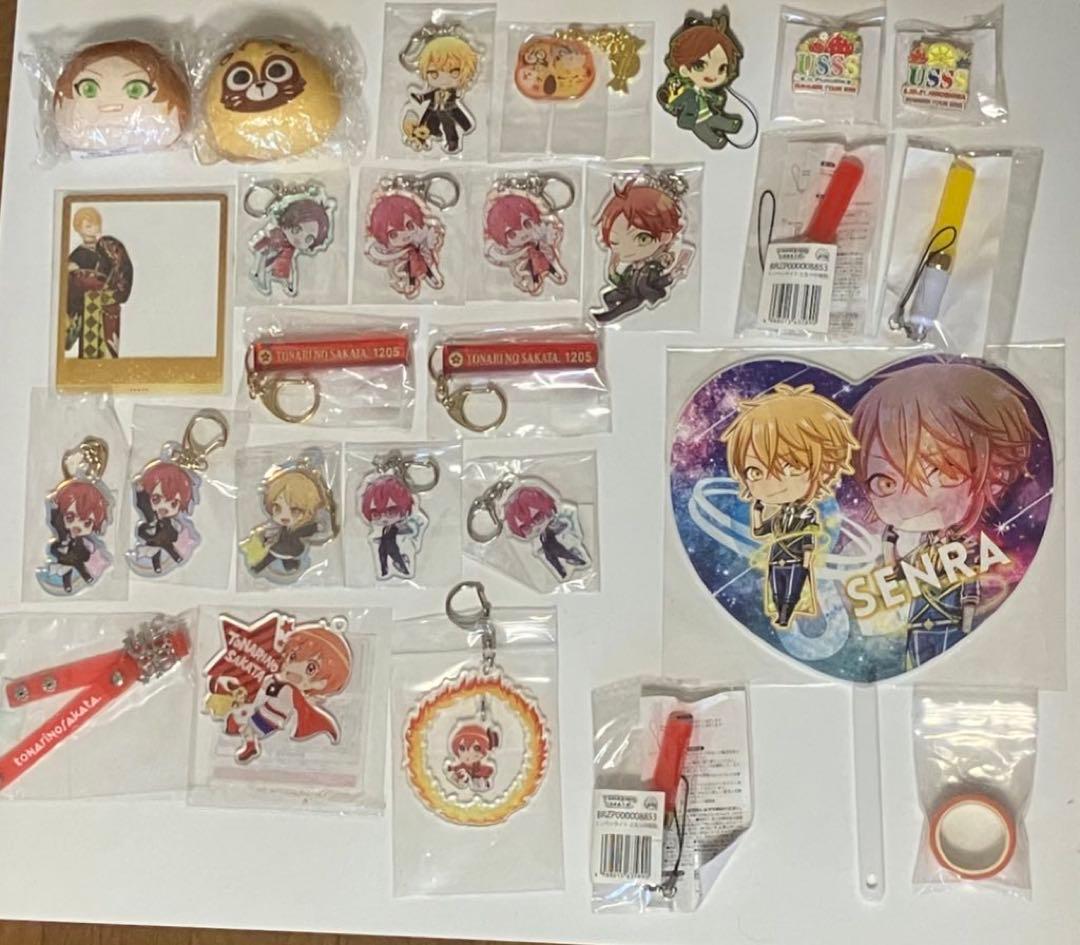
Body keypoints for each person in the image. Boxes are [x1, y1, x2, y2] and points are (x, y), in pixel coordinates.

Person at [851, 362, 1036, 667]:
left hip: (952, 630)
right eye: (885, 482)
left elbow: (970, 589)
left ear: (997, 474)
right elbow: (896, 577)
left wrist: (967, 625)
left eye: (942, 471)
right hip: (918, 627)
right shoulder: (921, 550)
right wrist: (888, 546)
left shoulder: (969, 549)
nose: (911, 501)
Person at [721, 383, 859, 628]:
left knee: (791, 592)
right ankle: (782, 613)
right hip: (777, 558)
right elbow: (761, 531)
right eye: (754, 471)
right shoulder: (779, 514)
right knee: (778, 590)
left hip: (796, 559)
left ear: (823, 467)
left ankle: (786, 613)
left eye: (791, 467)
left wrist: (806, 562)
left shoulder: (808, 512)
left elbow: (809, 538)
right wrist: (757, 512)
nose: (772, 483)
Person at [590, 182, 692, 324]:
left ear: (665, 236)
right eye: (615, 242)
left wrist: (671, 276)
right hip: (628, 292)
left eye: (642, 239)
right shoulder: (631, 267)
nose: (627, 249)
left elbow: (657, 283)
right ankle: (610, 317)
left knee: (620, 310)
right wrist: (612, 270)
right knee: (608, 297)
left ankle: (605, 317)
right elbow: (621, 282)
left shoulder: (652, 268)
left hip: (639, 296)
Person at [657, 11, 745, 150]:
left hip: (708, 113)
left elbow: (712, 97)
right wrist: (668, 103)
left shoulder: (704, 90)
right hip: (694, 119)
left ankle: (729, 125)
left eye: (722, 68)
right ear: (684, 70)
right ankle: (715, 139)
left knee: (714, 119)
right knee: (703, 129)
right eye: (700, 66)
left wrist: (718, 99)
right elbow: (675, 103)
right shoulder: (684, 90)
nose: (713, 75)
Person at [66, 206, 133, 358]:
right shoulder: (78, 254)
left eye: (96, 224)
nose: (93, 229)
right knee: (90, 351)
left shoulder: (106, 247)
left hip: (109, 303)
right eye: (88, 226)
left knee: (109, 349)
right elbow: (70, 278)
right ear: (78, 229)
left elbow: (119, 271)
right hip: (89, 303)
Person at [402, 34, 480, 154]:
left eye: (454, 73)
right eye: (434, 74)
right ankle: (432, 135)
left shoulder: (453, 91)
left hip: (449, 111)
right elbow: (429, 96)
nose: (443, 79)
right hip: (434, 109)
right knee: (430, 123)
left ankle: (452, 143)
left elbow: (455, 96)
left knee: (449, 126)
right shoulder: (434, 91)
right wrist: (421, 98)